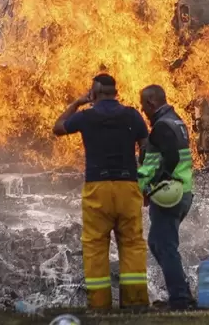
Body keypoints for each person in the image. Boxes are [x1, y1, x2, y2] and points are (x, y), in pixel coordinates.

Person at [53, 74, 150, 310]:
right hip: (128, 187)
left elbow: (57, 128)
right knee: (132, 244)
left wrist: (77, 103)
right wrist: (145, 179)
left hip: (98, 188)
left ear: (94, 93)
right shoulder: (132, 115)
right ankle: (135, 302)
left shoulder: (86, 116)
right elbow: (146, 147)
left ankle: (99, 305)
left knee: (95, 246)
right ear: (115, 93)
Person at [137, 85, 195, 311]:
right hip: (182, 191)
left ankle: (180, 298)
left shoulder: (162, 126)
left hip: (169, 195)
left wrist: (154, 184)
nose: (142, 109)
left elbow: (169, 158)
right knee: (158, 243)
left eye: (143, 105)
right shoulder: (176, 121)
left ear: (151, 102)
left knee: (164, 245)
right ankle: (182, 291)